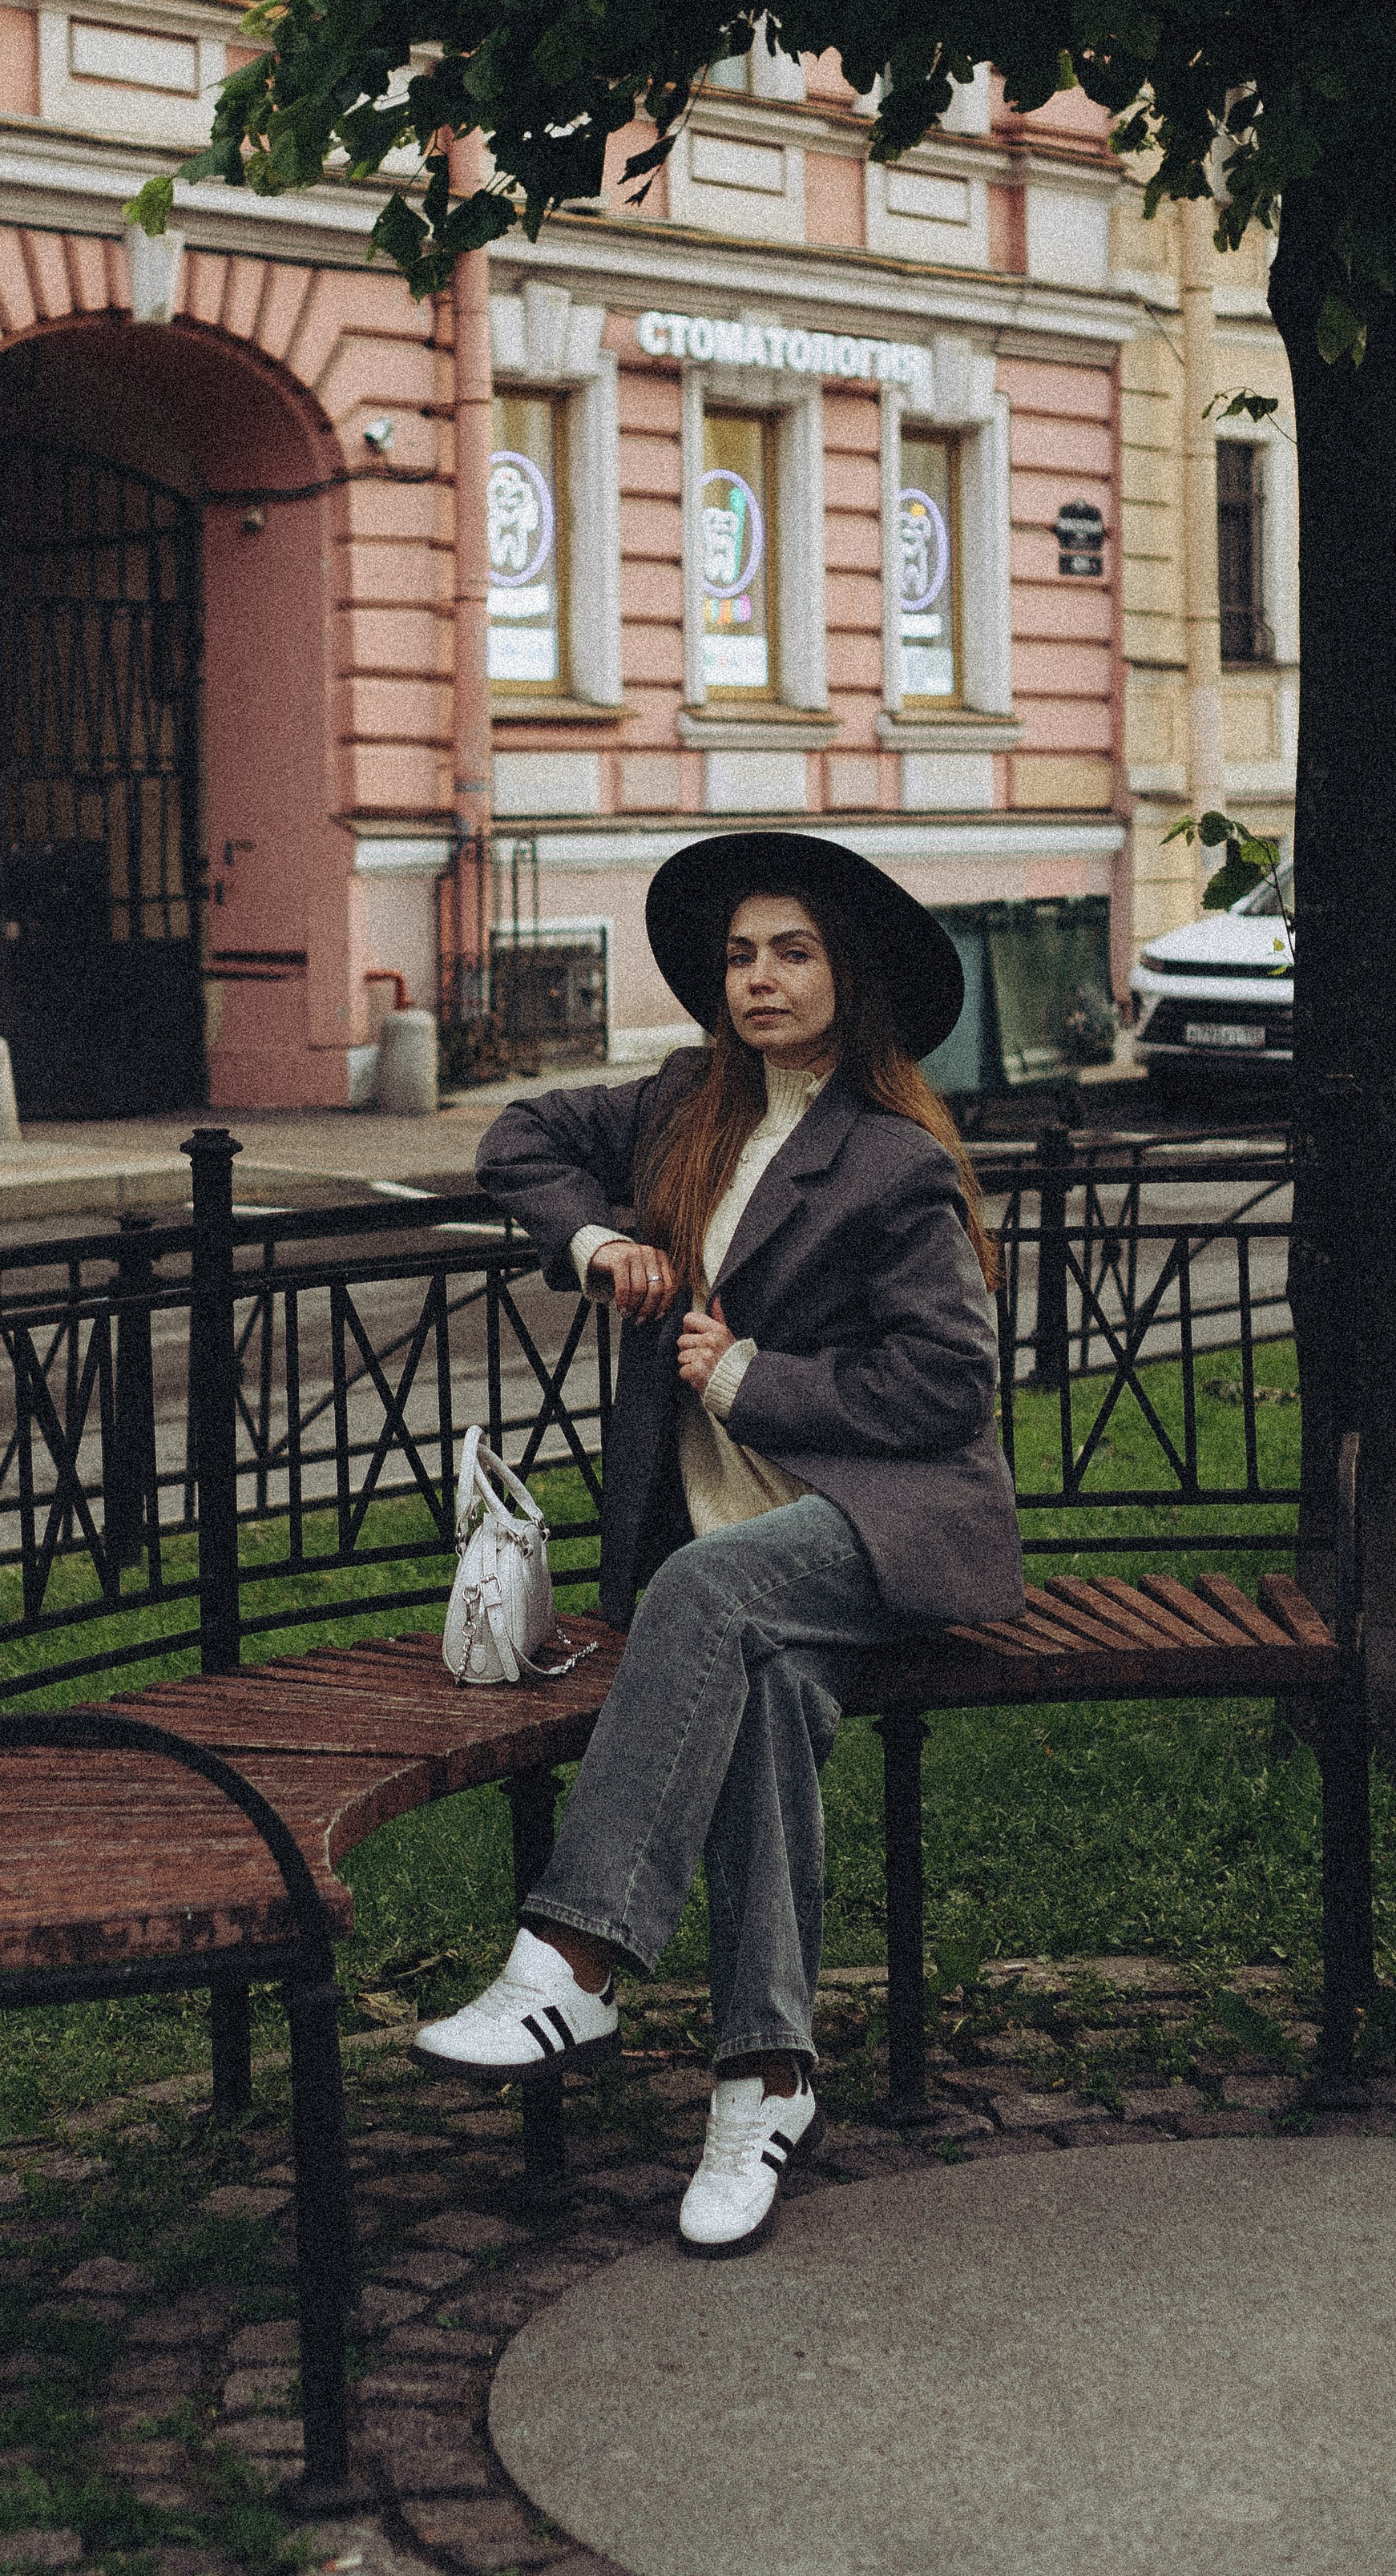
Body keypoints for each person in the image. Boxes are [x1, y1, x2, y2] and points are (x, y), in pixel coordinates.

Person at [412, 832, 1025, 2256]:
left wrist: (749, 1380)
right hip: (734, 1574)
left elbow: (948, 1387)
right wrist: (593, 1247)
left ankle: (575, 1958)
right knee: (760, 1698)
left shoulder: (893, 1163)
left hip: (873, 1534)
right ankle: (764, 2082)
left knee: (709, 1592)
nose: (760, 978)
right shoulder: (685, 1104)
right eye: (742, 954)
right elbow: (523, 1142)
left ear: (847, 977)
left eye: (793, 952)